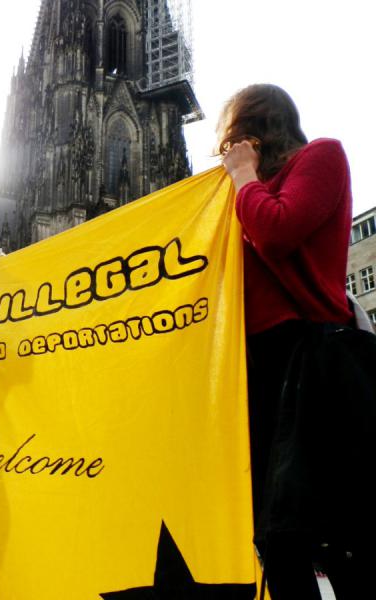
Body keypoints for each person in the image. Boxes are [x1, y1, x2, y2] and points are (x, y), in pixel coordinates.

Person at [220, 83, 360, 599]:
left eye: (235, 132)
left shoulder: (321, 157)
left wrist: (241, 177)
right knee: (275, 535)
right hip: (254, 366)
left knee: (331, 529)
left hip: (310, 358)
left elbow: (278, 230)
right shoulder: (242, 196)